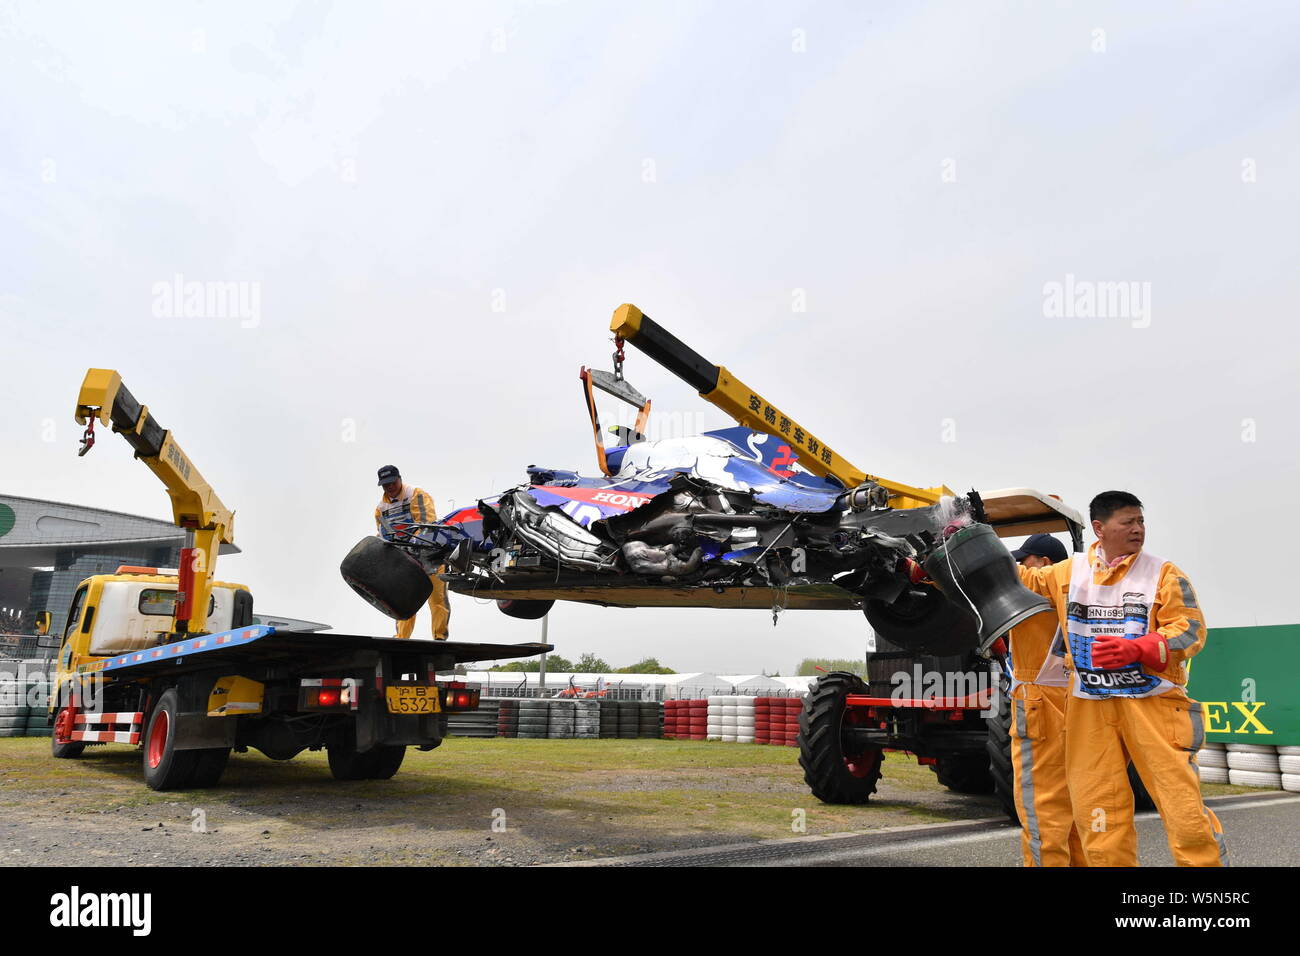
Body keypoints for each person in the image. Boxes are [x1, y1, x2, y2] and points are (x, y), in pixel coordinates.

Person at [1018, 491, 1227, 867]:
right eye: (1127, 522)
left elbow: (1191, 629)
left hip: (1154, 707)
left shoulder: (1163, 573)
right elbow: (1021, 579)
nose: (1137, 529)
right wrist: (960, 544)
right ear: (1099, 528)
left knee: (1184, 811)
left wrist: (1141, 649)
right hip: (1091, 712)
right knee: (1100, 816)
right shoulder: (1069, 573)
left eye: (1141, 521)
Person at [1004, 533, 1085, 867]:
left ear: (1045, 564)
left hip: (1039, 704)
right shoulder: (1079, 590)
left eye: (1026, 559)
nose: (1022, 565)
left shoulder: (1035, 587)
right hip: (1079, 700)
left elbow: (995, 572)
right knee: (1080, 807)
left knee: (1042, 808)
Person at [374, 465, 450, 641]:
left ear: (399, 478)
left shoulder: (416, 494)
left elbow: (426, 524)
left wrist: (413, 546)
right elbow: (382, 534)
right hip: (405, 560)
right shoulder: (380, 508)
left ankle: (439, 637)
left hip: (430, 556)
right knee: (403, 601)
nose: (390, 487)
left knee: (437, 599)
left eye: (392, 482)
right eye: (385, 485)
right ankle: (401, 638)